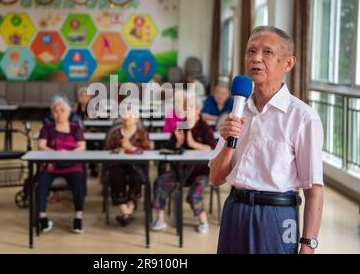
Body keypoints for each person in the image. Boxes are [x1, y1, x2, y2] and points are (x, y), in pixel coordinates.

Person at [208, 26, 324, 254]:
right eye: (251, 51)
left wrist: (308, 245)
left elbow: (314, 189)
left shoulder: (302, 117)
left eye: (267, 52)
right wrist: (229, 142)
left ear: (288, 63)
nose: (256, 59)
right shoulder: (238, 109)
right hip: (235, 211)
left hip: (277, 216)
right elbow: (215, 178)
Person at [152, 93, 216, 233]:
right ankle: (160, 219)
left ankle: (203, 221)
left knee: (194, 194)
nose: (187, 109)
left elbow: (213, 148)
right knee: (160, 182)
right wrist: (178, 143)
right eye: (185, 107)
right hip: (180, 171)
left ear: (198, 110)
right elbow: (167, 148)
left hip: (200, 173)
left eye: (191, 107)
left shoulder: (205, 128)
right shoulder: (179, 127)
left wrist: (194, 144)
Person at [37, 96, 86, 234]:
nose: (59, 113)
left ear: (69, 112)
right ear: (52, 113)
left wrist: (69, 155)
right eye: (55, 111)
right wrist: (56, 154)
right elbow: (41, 145)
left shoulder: (76, 128)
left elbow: (82, 145)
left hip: (71, 164)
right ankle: (43, 218)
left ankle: (78, 218)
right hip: (51, 165)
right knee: (42, 183)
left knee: (78, 181)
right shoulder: (47, 127)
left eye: (62, 110)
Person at [106, 109, 150, 226]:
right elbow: (108, 150)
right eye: (124, 114)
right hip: (118, 164)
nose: (127, 117)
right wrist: (119, 149)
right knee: (115, 174)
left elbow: (147, 150)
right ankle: (126, 211)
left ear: (136, 119)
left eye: (131, 115)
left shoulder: (142, 133)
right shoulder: (115, 133)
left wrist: (131, 147)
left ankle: (128, 210)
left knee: (136, 175)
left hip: (136, 164)